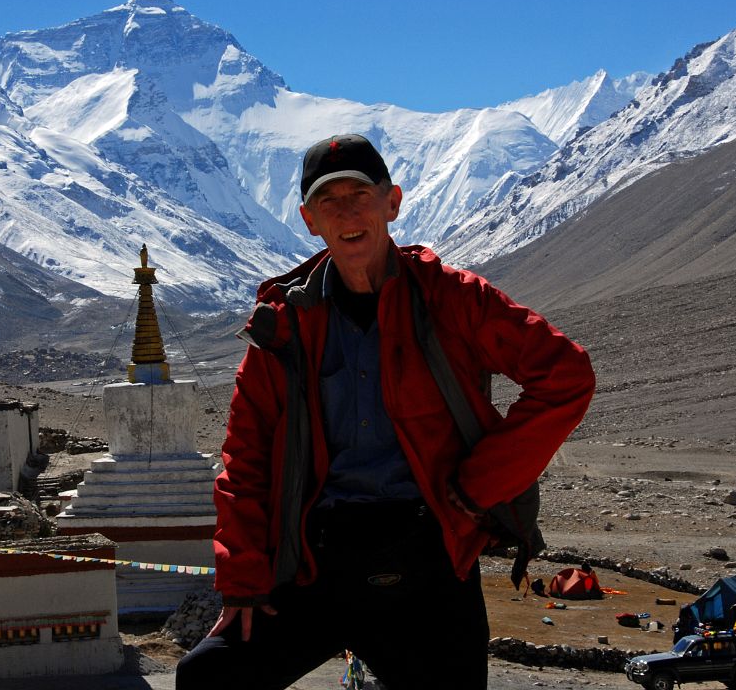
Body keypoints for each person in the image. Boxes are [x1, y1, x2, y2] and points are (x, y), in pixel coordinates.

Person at [176, 134, 595, 689]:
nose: (348, 212)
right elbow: (245, 458)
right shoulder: (283, 327)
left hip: (429, 558)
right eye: (330, 201)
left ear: (392, 202)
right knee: (209, 676)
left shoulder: (453, 300)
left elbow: (566, 375)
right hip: (317, 561)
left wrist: (478, 486)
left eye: (361, 195)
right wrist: (243, 578)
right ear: (309, 220)